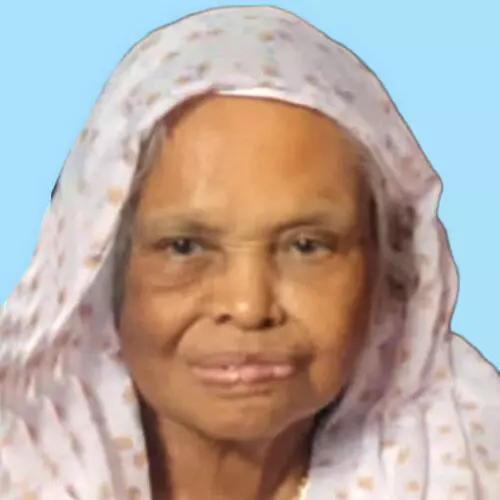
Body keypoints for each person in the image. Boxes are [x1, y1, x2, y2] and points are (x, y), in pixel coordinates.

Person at [1, 5, 499, 500]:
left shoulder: (474, 455)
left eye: (306, 246)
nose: (248, 307)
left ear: (387, 266)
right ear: (100, 269)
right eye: (185, 247)